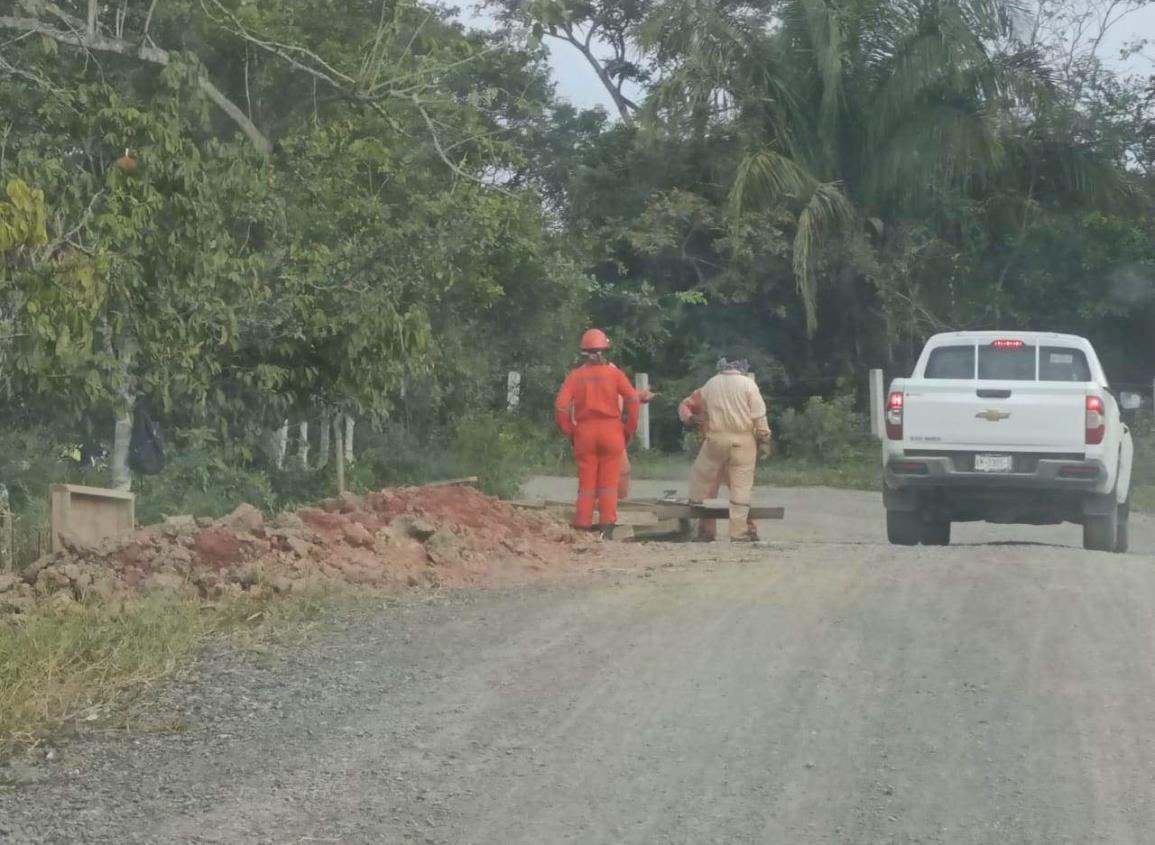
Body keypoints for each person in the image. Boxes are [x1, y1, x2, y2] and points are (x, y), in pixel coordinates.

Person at [555, 329, 640, 537]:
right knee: (609, 483)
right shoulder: (615, 374)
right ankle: (606, 528)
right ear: (605, 350)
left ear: (583, 352)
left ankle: (582, 525)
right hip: (612, 430)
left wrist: (571, 432)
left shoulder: (576, 376)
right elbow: (633, 400)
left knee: (587, 483)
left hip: (585, 432)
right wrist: (628, 430)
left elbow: (561, 407)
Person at [682, 356, 772, 542]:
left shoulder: (710, 384)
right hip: (743, 441)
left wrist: (692, 419)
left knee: (702, 481)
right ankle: (739, 533)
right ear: (742, 368)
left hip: (715, 440)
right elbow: (759, 416)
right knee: (741, 488)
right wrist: (764, 440)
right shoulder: (748, 385)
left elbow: (692, 406)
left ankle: (705, 530)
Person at [618, 386, 654, 499]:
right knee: (622, 471)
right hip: (610, 432)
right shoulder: (613, 374)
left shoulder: (581, 377)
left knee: (590, 474)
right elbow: (630, 399)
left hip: (585, 432)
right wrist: (628, 433)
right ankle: (617, 505)